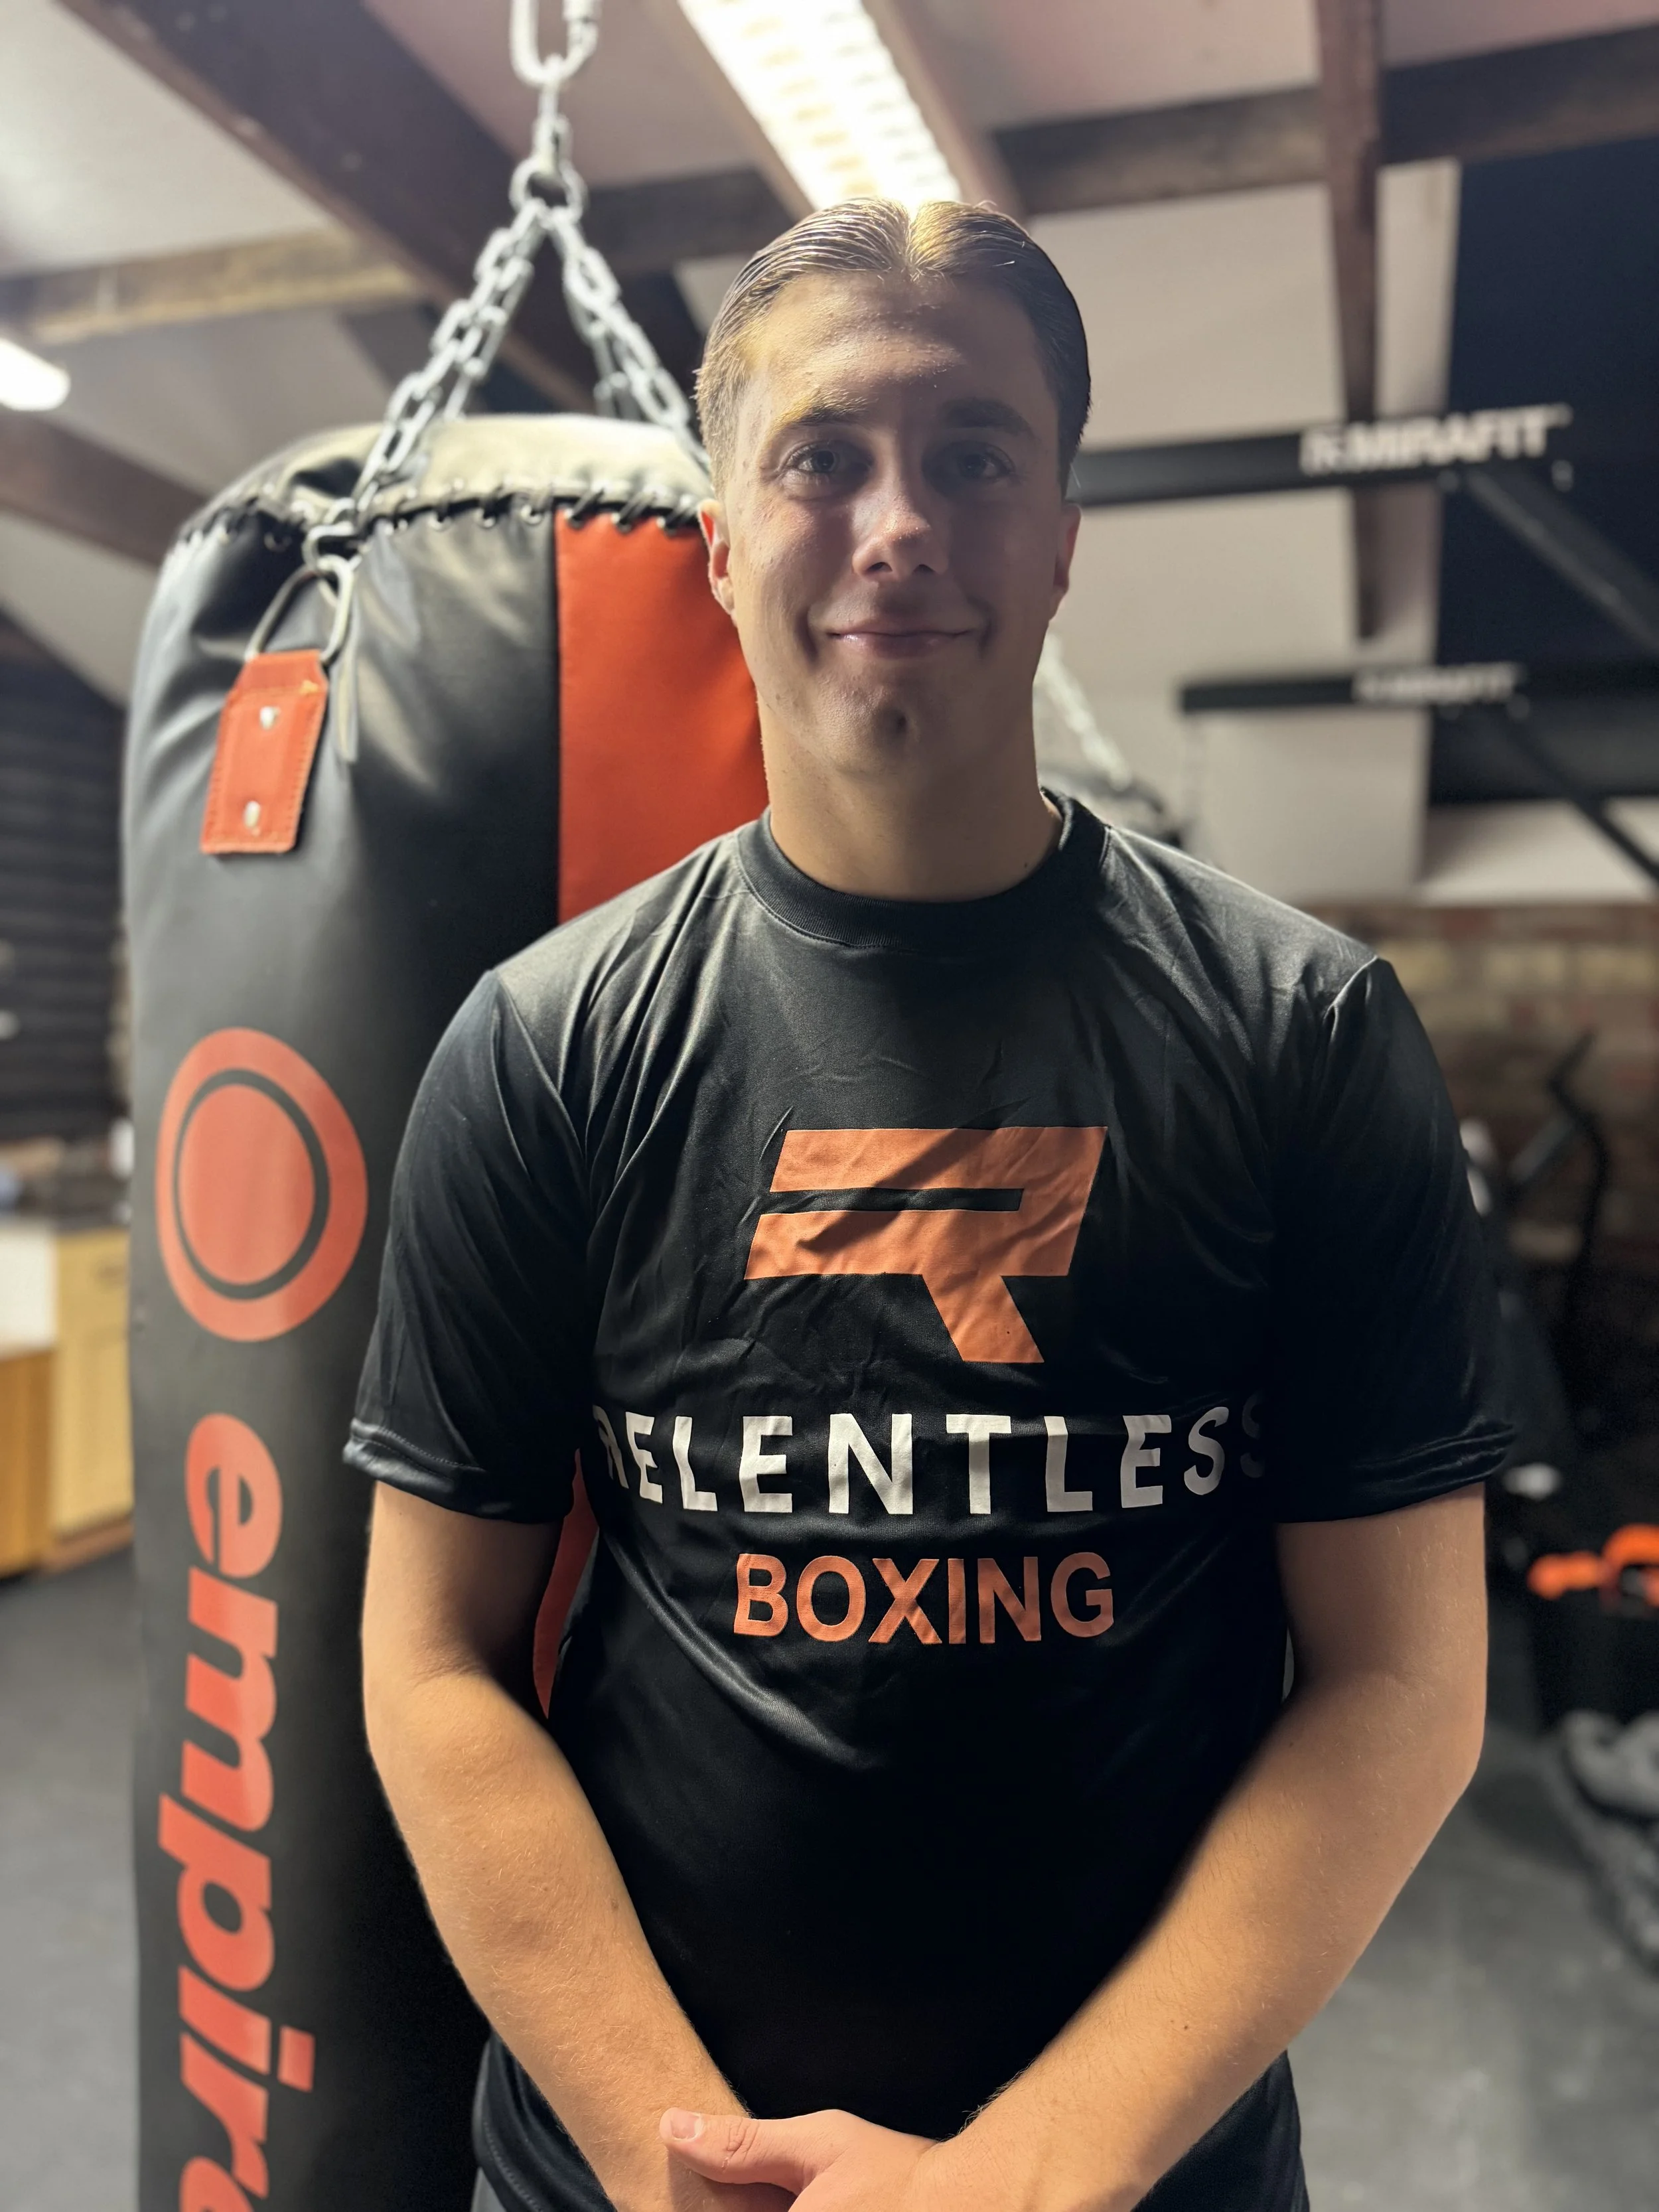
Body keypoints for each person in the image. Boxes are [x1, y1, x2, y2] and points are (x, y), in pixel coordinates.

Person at [350, 200, 1506, 2212]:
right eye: (823, 456)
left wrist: (1037, 2172)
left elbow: (1402, 1679)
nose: (899, 523)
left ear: (1061, 537)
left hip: (1140, 2175)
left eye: (973, 454)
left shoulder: (1300, 1035)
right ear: (721, 540)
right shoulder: (545, 1045)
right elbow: (430, 1656)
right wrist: (673, 2154)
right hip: (636, 2166)